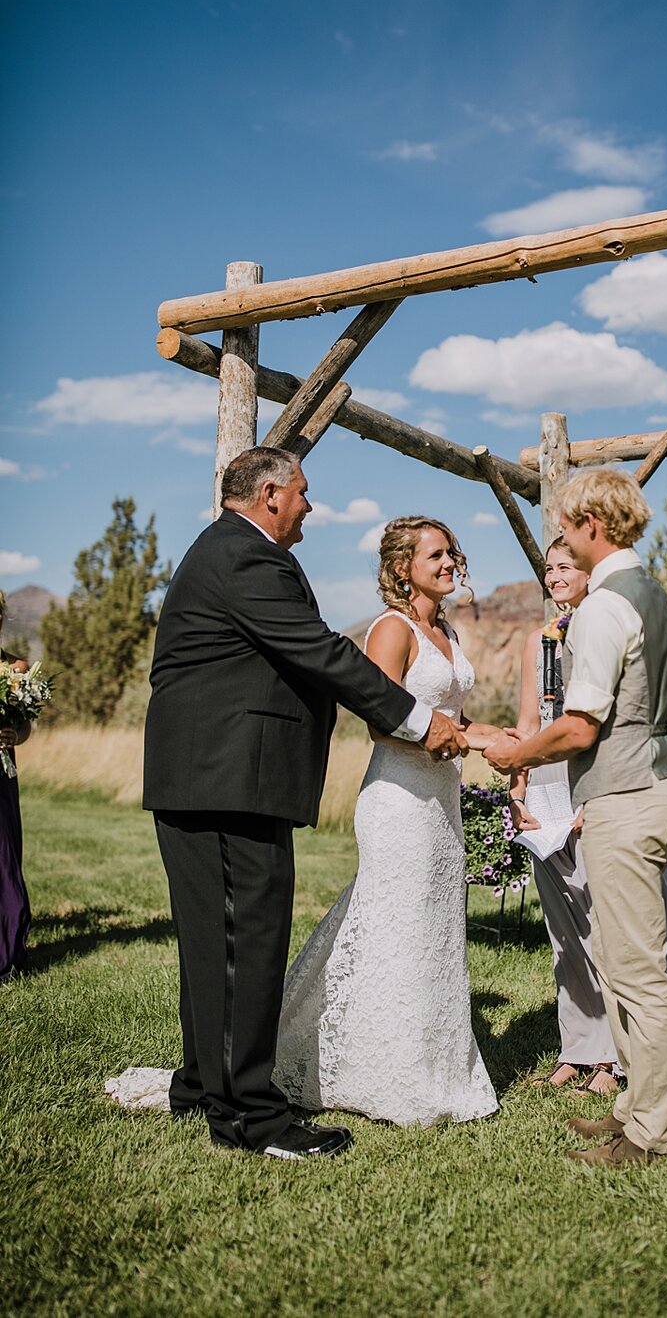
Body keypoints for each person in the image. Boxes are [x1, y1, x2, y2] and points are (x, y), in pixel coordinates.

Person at [124, 448, 468, 1162]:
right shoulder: (246, 556)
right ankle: (252, 1116)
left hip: (215, 777)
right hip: (226, 780)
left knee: (214, 943)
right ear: (272, 494)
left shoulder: (229, 552)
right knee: (241, 944)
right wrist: (417, 720)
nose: (310, 505)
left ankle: (201, 1082)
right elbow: (318, 652)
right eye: (304, 493)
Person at [486, 468, 667, 1167]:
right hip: (656, 786)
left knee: (635, 973)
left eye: (568, 530)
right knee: (619, 955)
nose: (564, 543)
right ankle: (633, 1107)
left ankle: (655, 1135)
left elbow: (578, 728)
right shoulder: (654, 596)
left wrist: (517, 749)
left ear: (592, 528)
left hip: (626, 798)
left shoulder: (604, 607)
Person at [273, 516, 502, 1127]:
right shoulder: (392, 629)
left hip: (442, 797)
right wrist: (450, 741)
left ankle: (433, 1062)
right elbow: (381, 718)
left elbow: (453, 717)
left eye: (452, 551)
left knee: (433, 928)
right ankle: (377, 1066)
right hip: (398, 799)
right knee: (394, 923)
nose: (450, 561)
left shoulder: (447, 629)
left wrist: (500, 740)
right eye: (436, 554)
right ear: (403, 567)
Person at [510, 542, 667, 1098]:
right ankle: (582, 1047)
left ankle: (625, 1058)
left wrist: (585, 804)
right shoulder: (537, 641)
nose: (554, 576)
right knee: (565, 933)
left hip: (600, 784)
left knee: (613, 932)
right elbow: (530, 721)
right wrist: (518, 788)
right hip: (547, 786)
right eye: (548, 569)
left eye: (565, 567)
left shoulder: (608, 623)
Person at [0, 591, 31, 983]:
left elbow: (25, 727)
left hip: (2, 774)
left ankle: (6, 951)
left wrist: (14, 735)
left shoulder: (15, 669)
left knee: (4, 858)